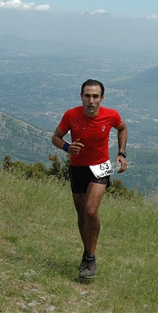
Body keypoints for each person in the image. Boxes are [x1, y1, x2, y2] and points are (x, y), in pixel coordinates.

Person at [52, 79, 128, 280]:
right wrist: (68, 147)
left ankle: (90, 258)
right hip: (77, 168)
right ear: (81, 97)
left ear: (102, 98)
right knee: (82, 215)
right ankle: (87, 253)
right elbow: (56, 138)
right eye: (87, 95)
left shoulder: (111, 115)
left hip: (100, 168)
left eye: (95, 96)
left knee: (91, 210)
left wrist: (121, 153)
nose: (91, 100)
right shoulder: (71, 115)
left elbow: (122, 128)